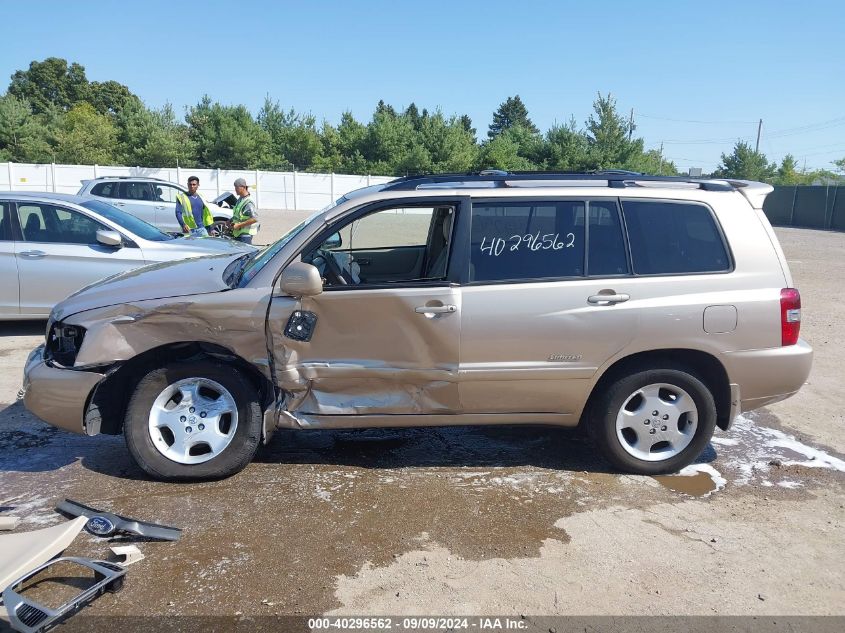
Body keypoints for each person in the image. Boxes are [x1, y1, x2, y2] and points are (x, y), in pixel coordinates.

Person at [230, 177, 259, 244]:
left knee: (246, 254)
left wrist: (239, 225)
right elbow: (238, 215)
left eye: (236, 187)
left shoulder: (248, 202)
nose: (235, 189)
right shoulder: (240, 199)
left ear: (243, 187)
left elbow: (255, 219)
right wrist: (230, 221)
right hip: (239, 234)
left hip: (245, 235)